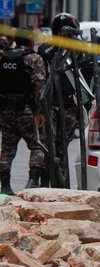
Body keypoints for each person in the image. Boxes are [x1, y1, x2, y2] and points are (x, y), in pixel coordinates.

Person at [37, 13, 82, 187]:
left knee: (62, 146)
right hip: (49, 104)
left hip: (69, 105)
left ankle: (61, 184)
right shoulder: (45, 50)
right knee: (49, 146)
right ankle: (43, 181)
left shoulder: (78, 51)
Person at [0, 27, 47, 194]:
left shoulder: (4, 56)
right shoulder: (34, 58)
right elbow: (39, 87)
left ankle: (5, 186)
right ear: (31, 41)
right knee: (37, 145)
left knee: (7, 148)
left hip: (5, 109)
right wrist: (41, 111)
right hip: (26, 110)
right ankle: (32, 183)